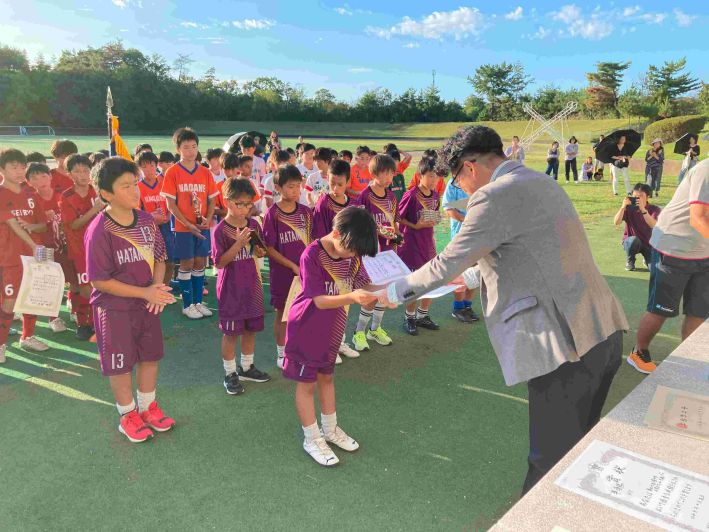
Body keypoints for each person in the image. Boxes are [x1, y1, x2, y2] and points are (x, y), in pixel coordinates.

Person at [380, 125, 628, 494]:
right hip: (601, 331)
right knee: (577, 457)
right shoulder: (538, 180)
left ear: (470, 166)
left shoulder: (493, 195)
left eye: (457, 180)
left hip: (564, 347)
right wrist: (477, 279)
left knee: (549, 468)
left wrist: (390, 291)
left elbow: (446, 263)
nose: (460, 189)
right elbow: (530, 249)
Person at [85, 156, 176, 443]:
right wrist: (145, 292)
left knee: (150, 356)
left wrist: (157, 286)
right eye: (125, 186)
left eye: (135, 183)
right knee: (120, 363)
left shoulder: (147, 220)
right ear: (106, 194)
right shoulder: (99, 230)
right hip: (114, 310)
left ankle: (148, 407)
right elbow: (99, 280)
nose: (135, 190)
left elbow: (160, 257)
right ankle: (128, 415)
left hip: (147, 304)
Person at [283, 206, 379, 466]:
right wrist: (353, 297)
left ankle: (330, 429)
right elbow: (320, 300)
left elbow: (363, 285)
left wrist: (387, 293)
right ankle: (311, 437)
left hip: (333, 328)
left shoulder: (353, 252)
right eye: (352, 249)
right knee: (307, 385)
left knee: (327, 378)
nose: (354, 255)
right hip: (306, 327)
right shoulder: (312, 254)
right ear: (337, 234)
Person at [628, 158, 709, 374]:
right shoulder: (706, 171)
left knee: (699, 310)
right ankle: (639, 351)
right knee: (661, 308)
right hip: (674, 247)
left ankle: (688, 357)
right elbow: (698, 218)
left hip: (704, 251)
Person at [212, 178, 271, 392]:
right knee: (231, 334)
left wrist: (259, 250)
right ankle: (230, 373)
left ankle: (247, 367)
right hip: (230, 290)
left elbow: (260, 250)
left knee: (250, 330)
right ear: (227, 201)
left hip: (252, 287)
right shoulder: (220, 230)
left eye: (249, 204)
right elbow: (219, 262)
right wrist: (238, 244)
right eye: (240, 204)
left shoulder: (253, 225)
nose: (245, 209)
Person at [160, 127, 218, 320]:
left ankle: (198, 302)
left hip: (201, 226)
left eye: (194, 146)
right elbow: (170, 204)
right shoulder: (173, 172)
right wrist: (186, 223)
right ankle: (187, 304)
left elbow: (211, 200)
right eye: (186, 147)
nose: (191, 151)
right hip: (183, 227)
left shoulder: (205, 172)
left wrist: (208, 219)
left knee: (201, 261)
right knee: (187, 263)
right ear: (178, 149)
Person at [0, 149, 49, 361]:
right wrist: (33, 243)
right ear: (2, 170)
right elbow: (13, 224)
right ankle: (1, 344)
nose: (20, 171)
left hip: (34, 255)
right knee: (9, 302)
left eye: (22, 167)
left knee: (33, 297)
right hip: (9, 257)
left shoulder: (30, 193)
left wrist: (33, 227)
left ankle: (28, 336)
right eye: (14, 167)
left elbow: (42, 225)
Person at [262, 164, 313, 369]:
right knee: (283, 314)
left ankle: (299, 349)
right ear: (278, 187)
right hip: (283, 274)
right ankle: (281, 353)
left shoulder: (306, 212)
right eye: (291, 187)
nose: (296, 191)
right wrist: (292, 266)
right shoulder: (272, 214)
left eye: (298, 186)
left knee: (305, 312)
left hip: (305, 274)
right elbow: (269, 248)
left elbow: (312, 242)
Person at [312, 159, 362, 361]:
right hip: (327, 264)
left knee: (343, 304)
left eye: (340, 184)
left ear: (348, 182)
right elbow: (317, 236)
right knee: (329, 304)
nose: (334, 188)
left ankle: (339, 342)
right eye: (331, 183)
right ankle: (326, 346)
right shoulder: (323, 202)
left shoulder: (353, 205)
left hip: (347, 264)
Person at [351, 154, 401, 351]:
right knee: (372, 293)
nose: (389, 177)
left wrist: (397, 235)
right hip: (372, 252)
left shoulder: (390, 195)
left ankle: (375, 328)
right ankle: (359, 332)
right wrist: (376, 231)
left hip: (389, 251)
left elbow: (394, 221)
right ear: (373, 173)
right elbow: (359, 224)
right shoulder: (365, 195)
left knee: (385, 292)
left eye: (392, 173)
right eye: (385, 173)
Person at [60, 153, 105, 340]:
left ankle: (98, 321)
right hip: (79, 249)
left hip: (99, 247)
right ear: (69, 174)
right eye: (77, 171)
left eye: (86, 170)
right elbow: (74, 225)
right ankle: (84, 324)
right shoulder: (66, 197)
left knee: (100, 286)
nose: (83, 175)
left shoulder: (98, 191)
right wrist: (95, 209)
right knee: (85, 288)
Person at [25, 162, 71, 334]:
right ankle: (53, 317)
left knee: (67, 278)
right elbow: (29, 225)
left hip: (63, 245)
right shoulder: (29, 200)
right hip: (41, 246)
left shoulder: (62, 195)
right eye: (34, 178)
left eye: (44, 175)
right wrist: (43, 219)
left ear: (51, 176)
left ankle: (74, 308)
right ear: (29, 182)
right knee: (49, 281)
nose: (41, 180)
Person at [397, 156, 441, 336]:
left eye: (436, 176)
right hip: (411, 245)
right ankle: (409, 317)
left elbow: (435, 216)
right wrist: (415, 225)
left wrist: (435, 220)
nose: (433, 180)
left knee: (431, 281)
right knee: (413, 283)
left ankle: (423, 316)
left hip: (427, 244)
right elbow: (398, 217)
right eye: (430, 176)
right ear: (419, 175)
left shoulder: (436, 195)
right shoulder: (411, 194)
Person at [442, 166, 479, 323]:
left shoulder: (478, 183)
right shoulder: (452, 184)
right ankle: (458, 308)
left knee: (476, 272)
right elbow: (449, 209)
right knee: (460, 273)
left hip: (478, 237)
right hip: (460, 237)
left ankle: (468, 306)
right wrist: (468, 221)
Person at [137, 151, 176, 287]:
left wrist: (168, 217)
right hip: (148, 229)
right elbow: (136, 212)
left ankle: (164, 287)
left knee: (170, 260)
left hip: (165, 226)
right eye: (144, 167)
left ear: (157, 166)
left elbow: (172, 202)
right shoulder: (138, 187)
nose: (149, 170)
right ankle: (152, 289)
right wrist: (151, 217)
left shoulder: (164, 183)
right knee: (151, 263)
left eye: (152, 166)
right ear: (139, 169)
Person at [612, 183, 661, 271]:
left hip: (649, 244)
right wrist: (623, 207)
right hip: (631, 241)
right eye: (635, 196)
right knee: (633, 240)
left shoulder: (654, 209)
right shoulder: (629, 209)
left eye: (641, 196)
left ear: (648, 196)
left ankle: (647, 260)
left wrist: (643, 210)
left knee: (656, 269)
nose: (637, 198)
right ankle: (630, 260)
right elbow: (616, 222)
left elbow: (653, 225)